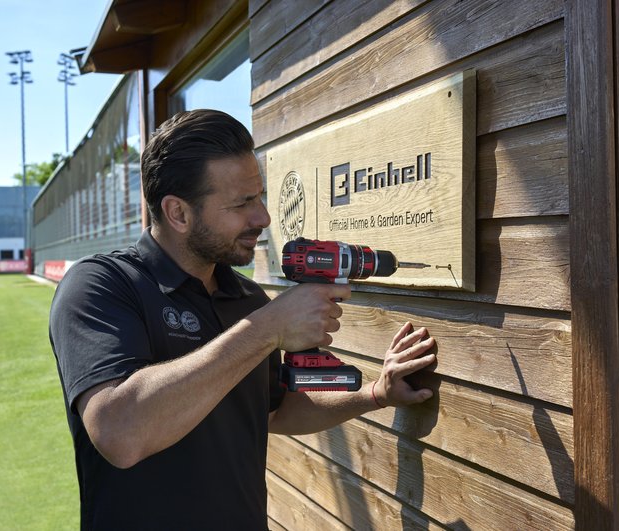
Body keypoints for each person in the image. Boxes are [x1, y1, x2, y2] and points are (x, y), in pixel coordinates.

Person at [49, 109, 437, 530]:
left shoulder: (246, 297)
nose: (263, 218)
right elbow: (119, 433)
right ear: (178, 213)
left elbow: (276, 413)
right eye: (242, 204)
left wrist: (375, 393)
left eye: (260, 196)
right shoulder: (101, 285)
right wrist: (268, 327)